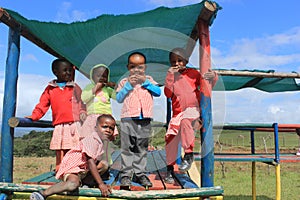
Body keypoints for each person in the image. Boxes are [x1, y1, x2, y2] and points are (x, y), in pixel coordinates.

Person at [163, 47, 218, 184]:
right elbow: (168, 94)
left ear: (186, 61)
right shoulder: (172, 77)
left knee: (186, 122)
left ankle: (188, 154)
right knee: (170, 138)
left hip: (192, 111)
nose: (176, 64)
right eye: (173, 61)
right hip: (177, 113)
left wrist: (214, 77)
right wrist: (170, 76)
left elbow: (207, 84)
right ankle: (169, 169)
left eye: (180, 61)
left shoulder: (193, 73)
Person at [30, 114, 116, 200]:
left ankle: (86, 183)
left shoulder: (101, 142)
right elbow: (90, 162)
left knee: (104, 164)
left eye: (111, 128)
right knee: (72, 184)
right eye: (104, 127)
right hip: (73, 168)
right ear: (96, 128)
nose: (108, 130)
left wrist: (100, 183)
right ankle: (43, 194)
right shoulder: (93, 140)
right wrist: (101, 184)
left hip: (83, 169)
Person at [26, 58, 86, 173]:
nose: (68, 73)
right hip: (60, 124)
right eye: (65, 70)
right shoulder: (50, 89)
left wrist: (83, 113)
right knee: (60, 147)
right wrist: (34, 116)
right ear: (56, 72)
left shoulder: (75, 87)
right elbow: (42, 104)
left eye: (70, 70)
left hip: (74, 123)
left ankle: (74, 167)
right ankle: (60, 167)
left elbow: (82, 103)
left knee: (74, 147)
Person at [116, 52, 161, 188]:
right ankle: (125, 174)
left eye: (140, 67)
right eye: (133, 66)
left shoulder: (149, 79)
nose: (136, 70)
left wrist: (145, 83)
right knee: (127, 148)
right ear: (128, 67)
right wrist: (129, 85)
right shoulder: (124, 82)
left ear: (145, 68)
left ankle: (140, 173)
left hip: (145, 120)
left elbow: (158, 92)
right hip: (128, 119)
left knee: (141, 148)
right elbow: (119, 98)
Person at [80, 64, 118, 140]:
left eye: (104, 76)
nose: (102, 78)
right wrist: (96, 88)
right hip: (93, 117)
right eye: (99, 75)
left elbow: (117, 97)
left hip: (106, 117)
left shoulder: (107, 89)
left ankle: (104, 151)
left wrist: (115, 87)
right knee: (92, 138)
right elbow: (84, 98)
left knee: (106, 137)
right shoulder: (89, 87)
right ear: (93, 77)